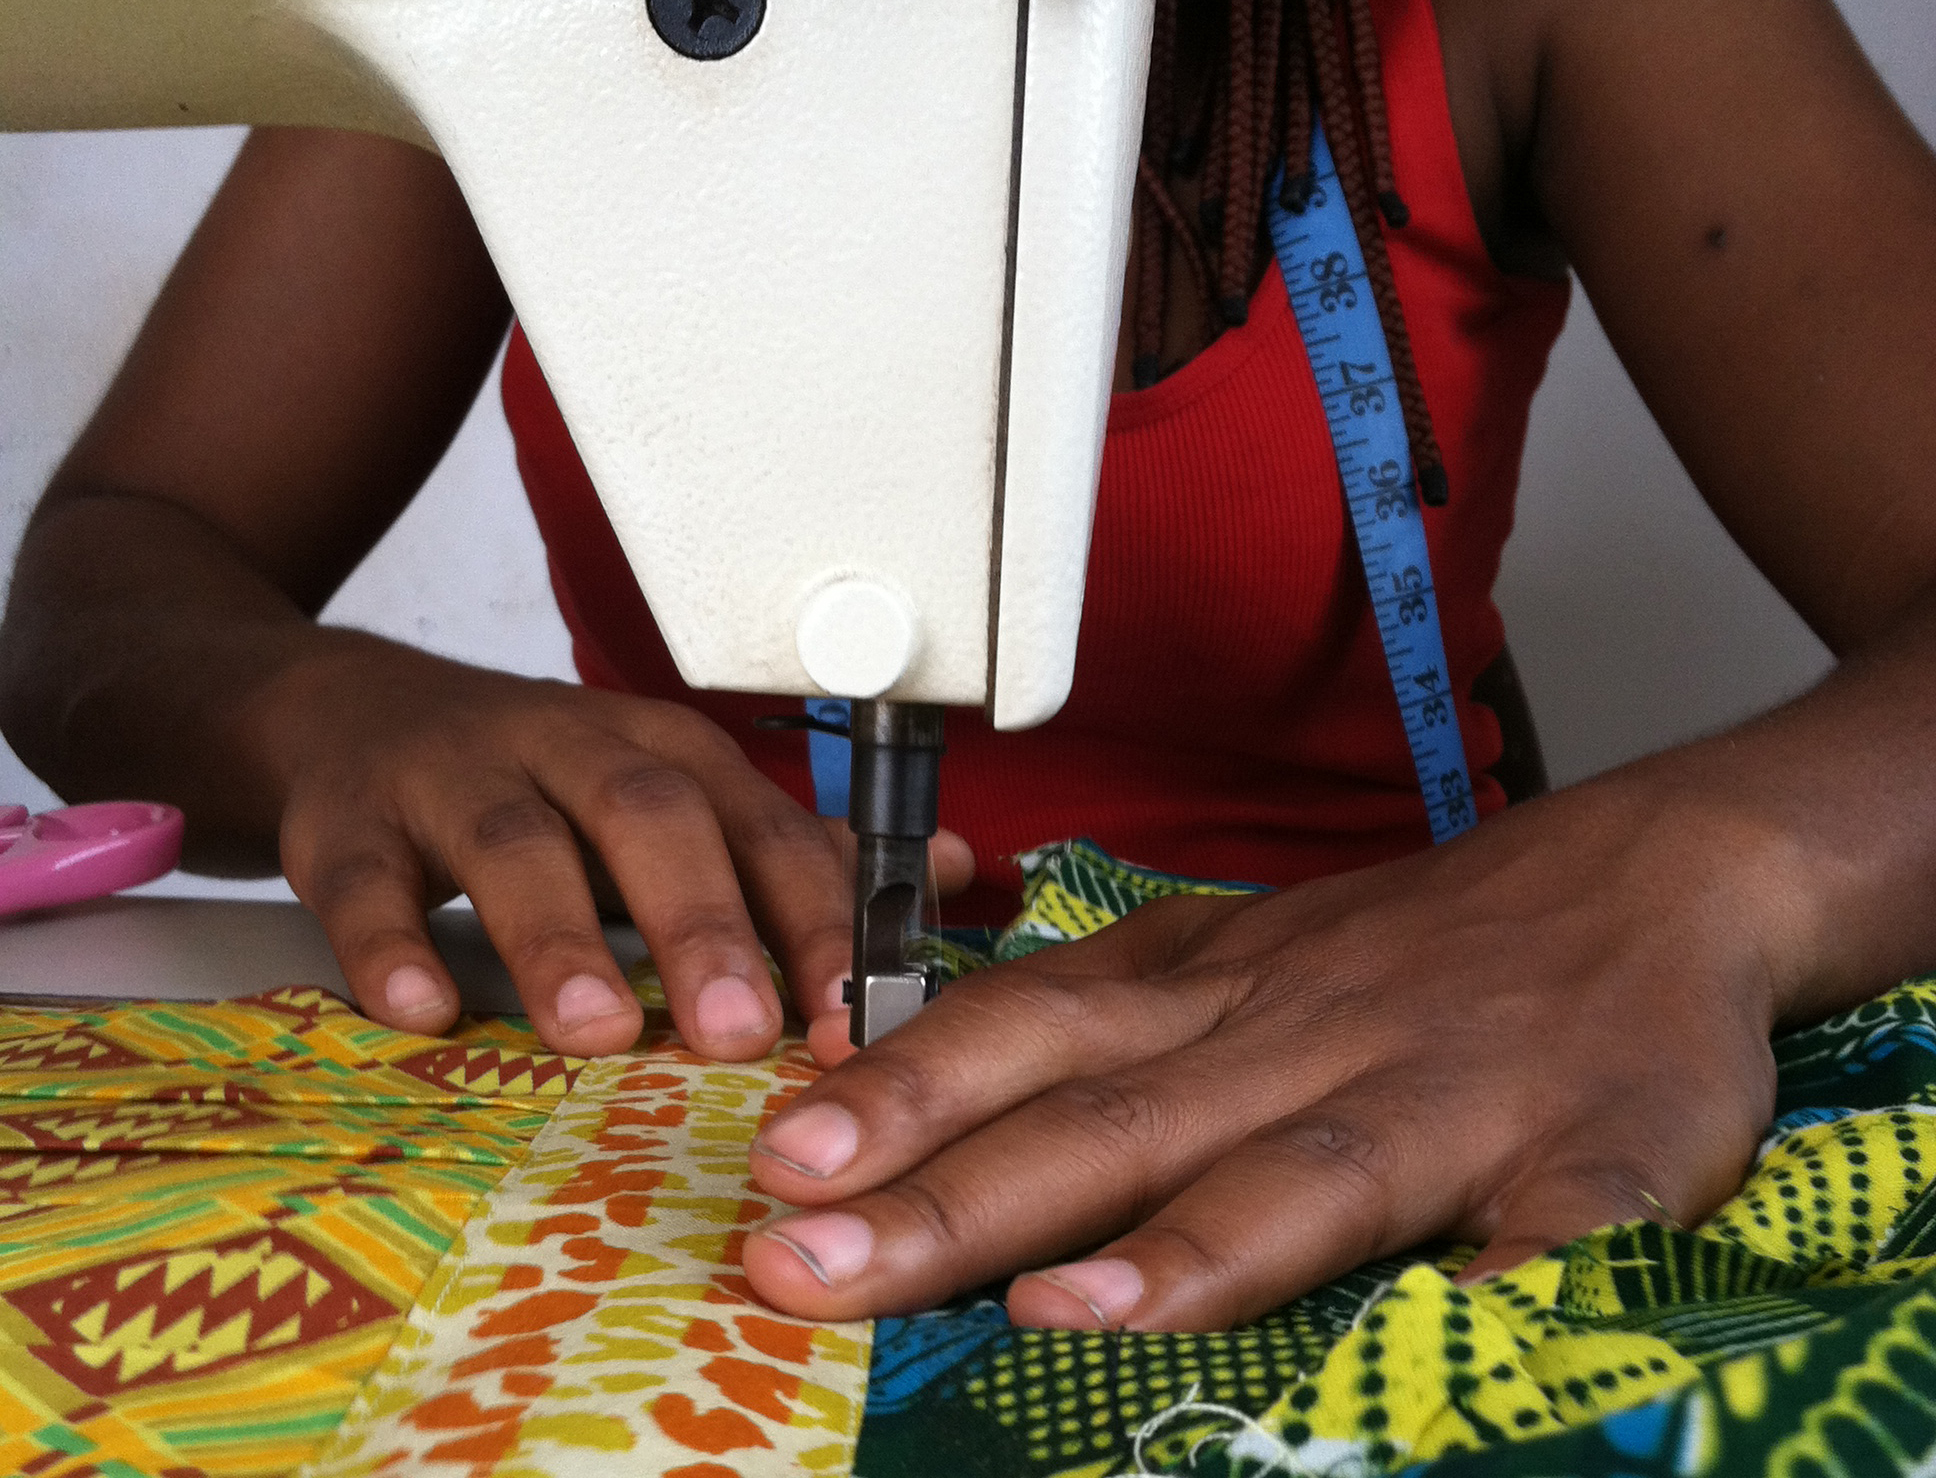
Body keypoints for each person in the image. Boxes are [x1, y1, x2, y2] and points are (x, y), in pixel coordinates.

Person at [2, 0, 1934, 1336]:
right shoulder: (543, 31)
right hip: (709, 1057)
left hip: (1404, 1051)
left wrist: (1699, 868)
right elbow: (112, 571)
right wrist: (337, 704)